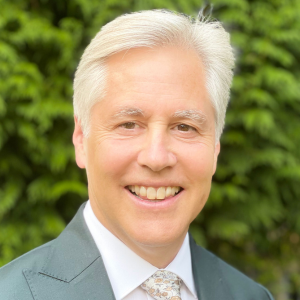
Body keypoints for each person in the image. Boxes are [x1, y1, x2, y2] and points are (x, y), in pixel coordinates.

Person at [0, 9, 274, 300]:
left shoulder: (251, 296)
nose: (156, 158)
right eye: (128, 124)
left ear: (215, 147)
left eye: (185, 127)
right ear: (81, 140)